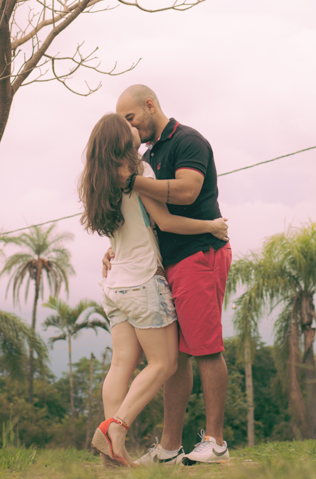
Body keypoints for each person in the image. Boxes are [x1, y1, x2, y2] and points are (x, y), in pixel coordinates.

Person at [80, 113, 229, 467]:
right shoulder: (138, 174)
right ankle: (115, 429)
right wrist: (211, 225)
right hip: (142, 282)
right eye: (127, 124)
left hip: (113, 285)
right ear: (122, 139)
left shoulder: (97, 181)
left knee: (120, 365)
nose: (134, 127)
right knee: (165, 362)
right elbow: (164, 221)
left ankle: (112, 460)